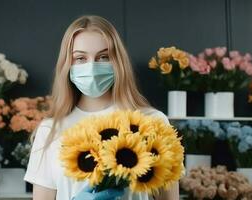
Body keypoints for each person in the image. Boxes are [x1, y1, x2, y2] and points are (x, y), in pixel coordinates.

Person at [24, 15, 180, 200]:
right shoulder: (50, 130)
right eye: (80, 58)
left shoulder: (153, 122)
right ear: (67, 64)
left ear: (118, 62)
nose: (92, 67)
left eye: (104, 56)